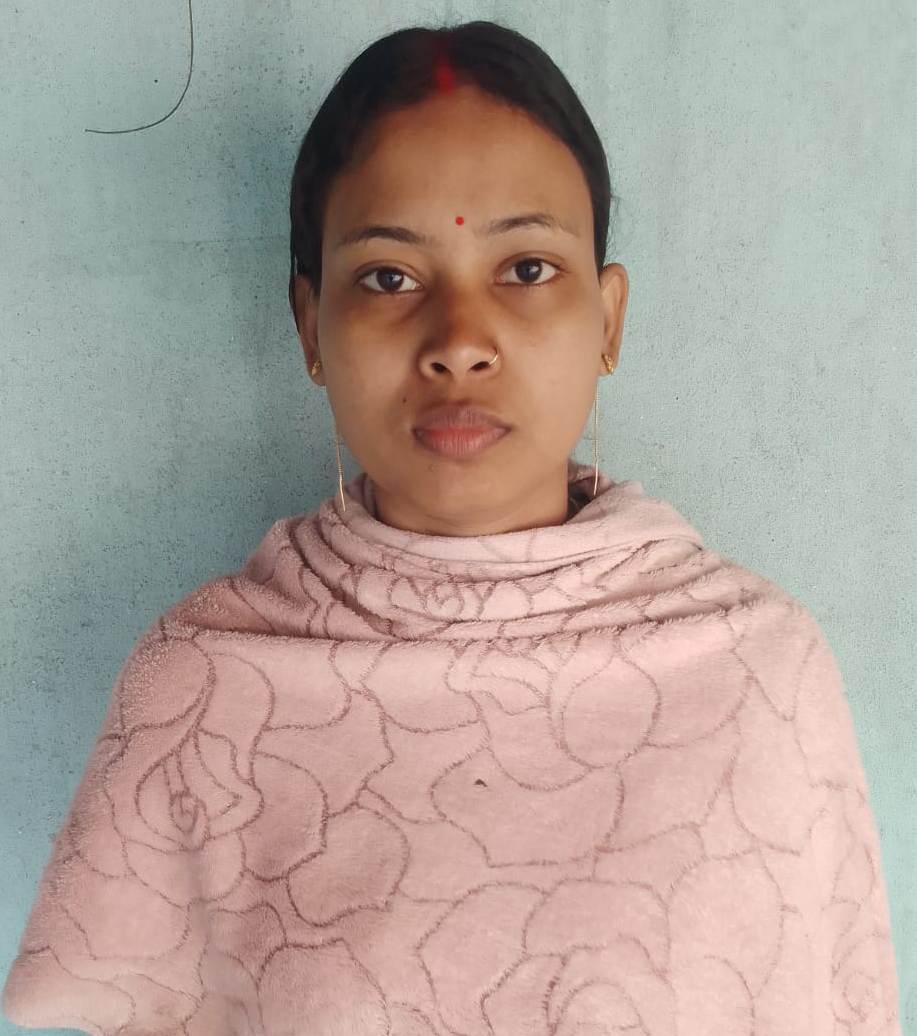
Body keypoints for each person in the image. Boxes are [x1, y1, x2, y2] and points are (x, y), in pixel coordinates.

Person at [3, 20, 902, 1036]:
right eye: (388, 277)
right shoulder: (203, 689)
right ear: (309, 326)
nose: (460, 342)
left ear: (608, 320)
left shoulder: (755, 673)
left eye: (526, 269)